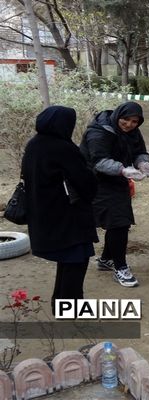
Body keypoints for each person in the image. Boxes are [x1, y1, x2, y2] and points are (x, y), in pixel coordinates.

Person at [21, 106, 98, 312]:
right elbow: (84, 181)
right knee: (76, 259)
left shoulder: (34, 144)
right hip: (67, 215)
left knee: (67, 259)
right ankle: (70, 307)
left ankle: (60, 301)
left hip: (44, 212)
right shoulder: (63, 147)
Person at [80, 101, 149, 287]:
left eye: (134, 121)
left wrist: (143, 163)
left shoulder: (133, 132)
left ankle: (107, 259)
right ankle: (120, 268)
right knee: (119, 222)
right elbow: (98, 161)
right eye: (125, 119)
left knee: (118, 222)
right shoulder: (99, 131)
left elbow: (139, 151)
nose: (129, 124)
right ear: (117, 115)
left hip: (117, 180)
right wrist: (124, 170)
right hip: (95, 181)